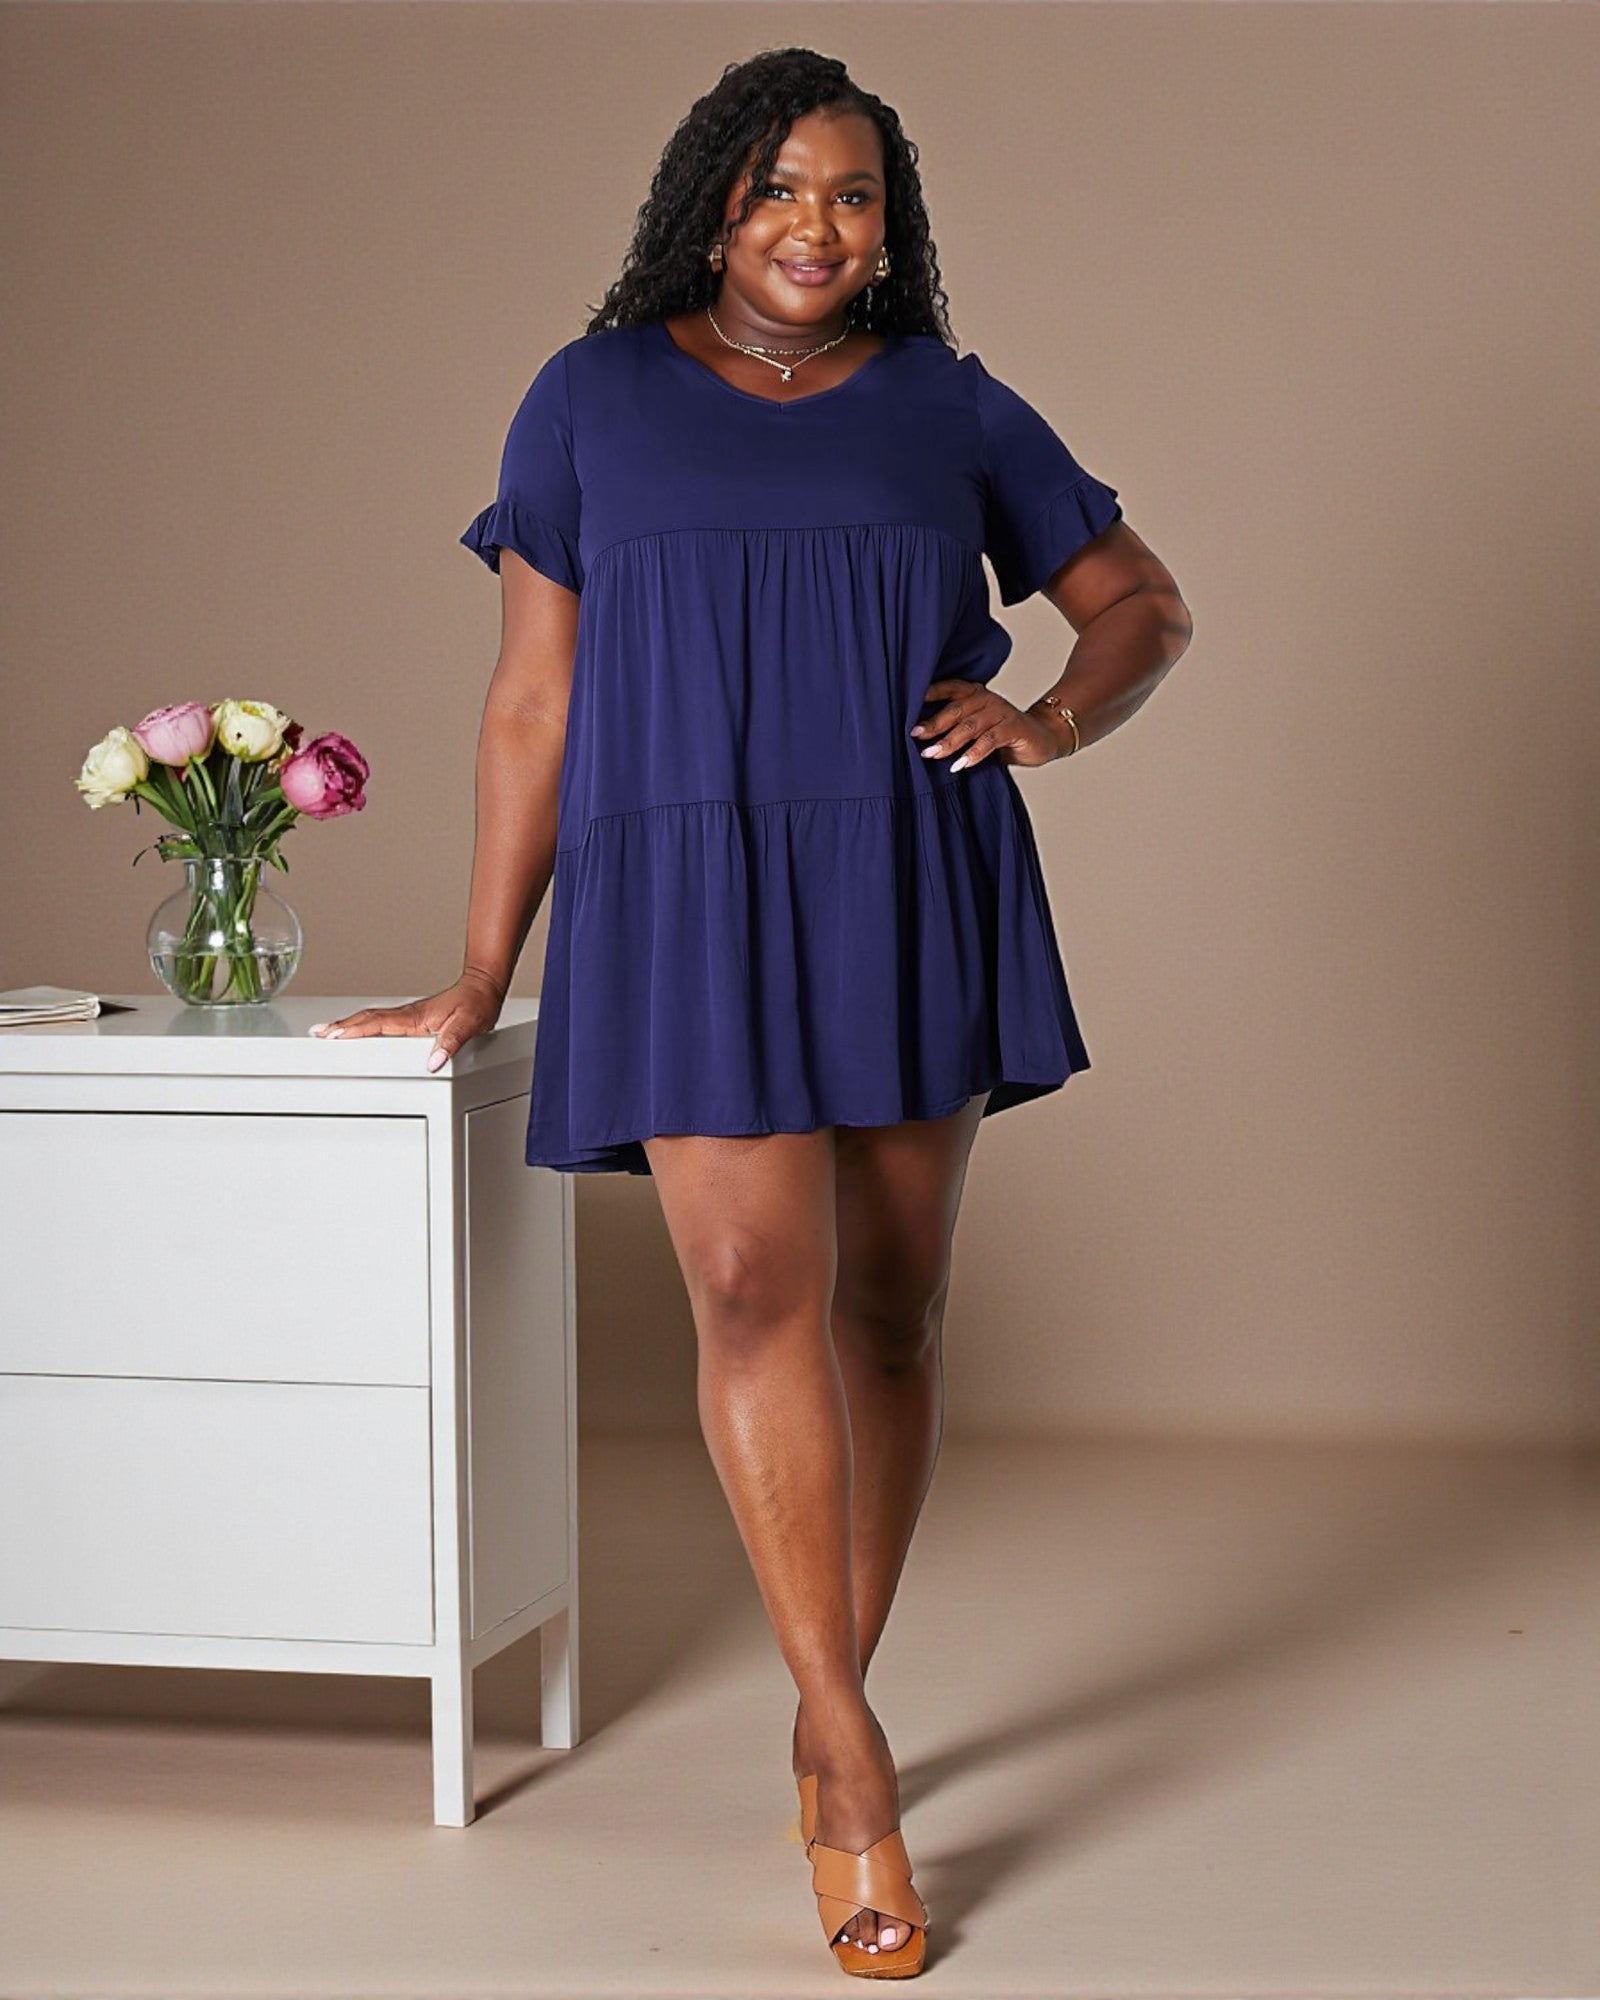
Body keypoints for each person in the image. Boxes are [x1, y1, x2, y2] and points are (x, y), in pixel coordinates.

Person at [312, 46, 1193, 1978]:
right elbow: (535, 702)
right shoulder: (589, 398)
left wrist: (1044, 717)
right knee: (744, 1293)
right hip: (682, 887)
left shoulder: (949, 404)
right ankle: (854, 1757)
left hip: (902, 870)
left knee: (892, 1300)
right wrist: (483, 962)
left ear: (895, 227)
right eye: (782, 185)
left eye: (857, 194)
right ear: (712, 199)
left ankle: (819, 1695)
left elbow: (1142, 605)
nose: (819, 224)